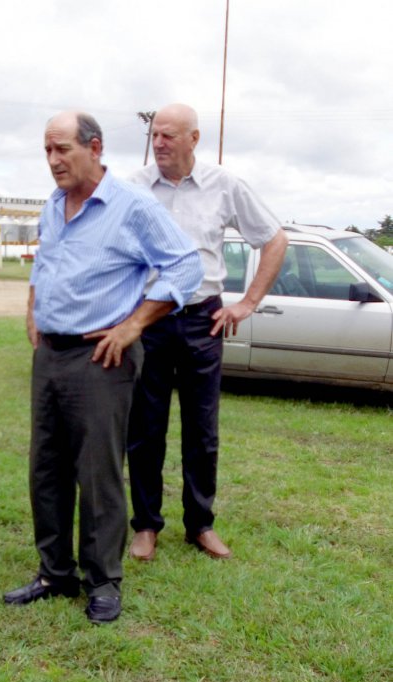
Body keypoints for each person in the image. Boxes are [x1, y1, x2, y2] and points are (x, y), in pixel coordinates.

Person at [3, 111, 202, 624]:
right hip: (51, 354)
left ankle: (103, 581)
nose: (53, 161)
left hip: (101, 357)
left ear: (95, 148)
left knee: (97, 472)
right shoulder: (53, 205)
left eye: (62, 149)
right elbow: (46, 262)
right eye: (47, 151)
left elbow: (185, 264)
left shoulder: (132, 206)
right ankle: (55, 572)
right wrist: (33, 310)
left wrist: (134, 325)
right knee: (46, 468)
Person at [127, 103, 287, 562]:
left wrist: (247, 302)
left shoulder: (224, 185)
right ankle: (146, 526)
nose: (159, 143)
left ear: (194, 139)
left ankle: (200, 525)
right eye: (155, 135)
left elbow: (274, 238)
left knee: (201, 429)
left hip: (204, 319)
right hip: (149, 319)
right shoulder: (133, 187)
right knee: (145, 427)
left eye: (169, 135)